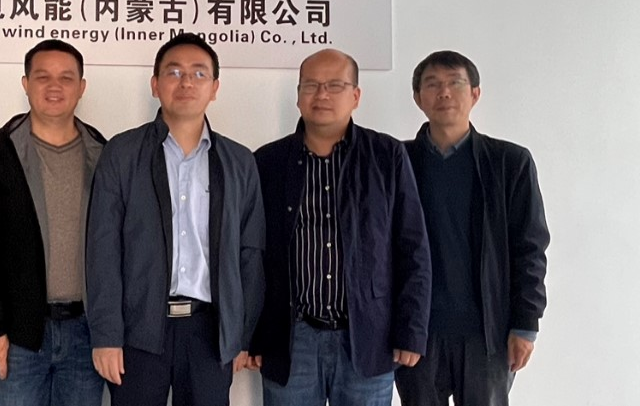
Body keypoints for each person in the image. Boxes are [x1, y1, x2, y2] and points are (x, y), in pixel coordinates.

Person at [85, 32, 265, 406]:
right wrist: (106, 335)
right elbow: (103, 251)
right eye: (174, 72)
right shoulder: (122, 152)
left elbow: (250, 253)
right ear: (155, 84)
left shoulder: (238, 161)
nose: (186, 82)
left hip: (209, 332)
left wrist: (241, 336)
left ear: (214, 88)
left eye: (199, 73)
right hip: (138, 331)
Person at [251, 48, 431, 406]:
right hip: (291, 339)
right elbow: (252, 255)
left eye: (335, 85)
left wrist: (411, 332)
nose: (322, 94)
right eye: (311, 85)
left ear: (356, 96)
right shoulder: (268, 161)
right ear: (298, 95)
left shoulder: (387, 156)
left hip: (369, 337)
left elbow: (412, 248)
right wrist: (252, 337)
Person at [395, 50, 549, 406]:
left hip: (488, 333)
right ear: (418, 98)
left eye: (455, 83)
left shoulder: (509, 162)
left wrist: (526, 322)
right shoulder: (398, 162)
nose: (444, 92)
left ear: (475, 94)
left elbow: (530, 247)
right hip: (418, 332)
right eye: (432, 84)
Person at [0, 39, 106, 405]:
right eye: (43, 77)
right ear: (25, 83)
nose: (54, 86)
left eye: (66, 78)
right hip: (19, 336)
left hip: (87, 333)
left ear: (81, 87)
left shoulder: (103, 153)